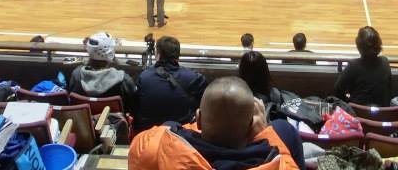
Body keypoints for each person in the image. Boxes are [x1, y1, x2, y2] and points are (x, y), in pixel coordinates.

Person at [130, 77, 302, 170]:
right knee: (283, 128)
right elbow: (285, 163)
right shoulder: (278, 164)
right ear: (252, 127)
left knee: (170, 123)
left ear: (198, 119)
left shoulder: (152, 147)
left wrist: (194, 125)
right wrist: (265, 133)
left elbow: (144, 141)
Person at [134, 35, 208, 131]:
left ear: (158, 54)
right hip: (182, 133)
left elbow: (136, 106)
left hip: (149, 133)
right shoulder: (194, 78)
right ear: (178, 55)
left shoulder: (144, 77)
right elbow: (205, 104)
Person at [67, 32, 137, 111]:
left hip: (84, 118)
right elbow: (134, 106)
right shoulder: (123, 80)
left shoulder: (76, 75)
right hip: (113, 119)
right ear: (111, 53)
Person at [333, 26, 392, 106]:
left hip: (357, 112)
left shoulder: (353, 65)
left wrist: (349, 103)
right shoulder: (385, 62)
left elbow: (337, 90)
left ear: (359, 47)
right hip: (383, 112)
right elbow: (388, 90)